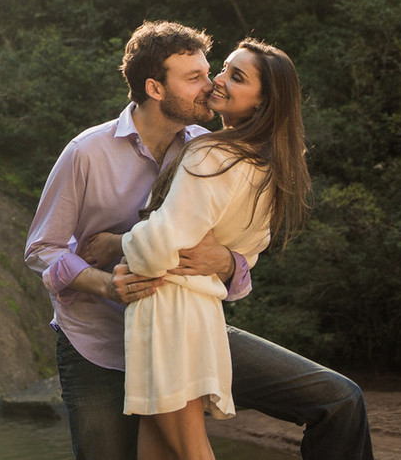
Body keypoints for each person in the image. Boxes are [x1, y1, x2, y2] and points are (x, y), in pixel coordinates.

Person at [24, 20, 372, 460]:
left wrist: (225, 261)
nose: (210, 86)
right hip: (97, 344)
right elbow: (40, 250)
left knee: (338, 399)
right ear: (154, 87)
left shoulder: (209, 148)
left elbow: (242, 261)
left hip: (187, 328)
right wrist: (103, 284)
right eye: (195, 78)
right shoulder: (85, 152)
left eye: (211, 73)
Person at [121, 38, 310, 459]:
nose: (218, 81)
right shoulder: (269, 171)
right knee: (154, 453)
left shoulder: (211, 153)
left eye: (236, 77)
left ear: (262, 104)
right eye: (224, 68)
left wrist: (115, 243)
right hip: (199, 315)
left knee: (191, 451)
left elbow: (156, 250)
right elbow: (245, 254)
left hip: (169, 311)